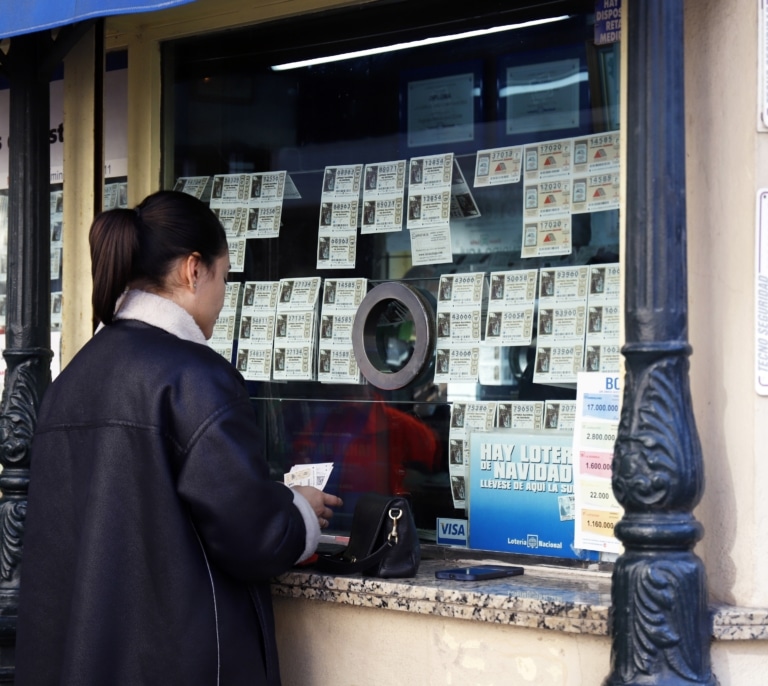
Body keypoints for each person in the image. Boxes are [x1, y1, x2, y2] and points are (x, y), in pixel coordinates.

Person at [15, 190, 342, 686]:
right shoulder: (195, 378)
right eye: (225, 276)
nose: (223, 294)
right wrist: (298, 510)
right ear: (194, 270)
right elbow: (253, 535)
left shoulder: (68, 383)